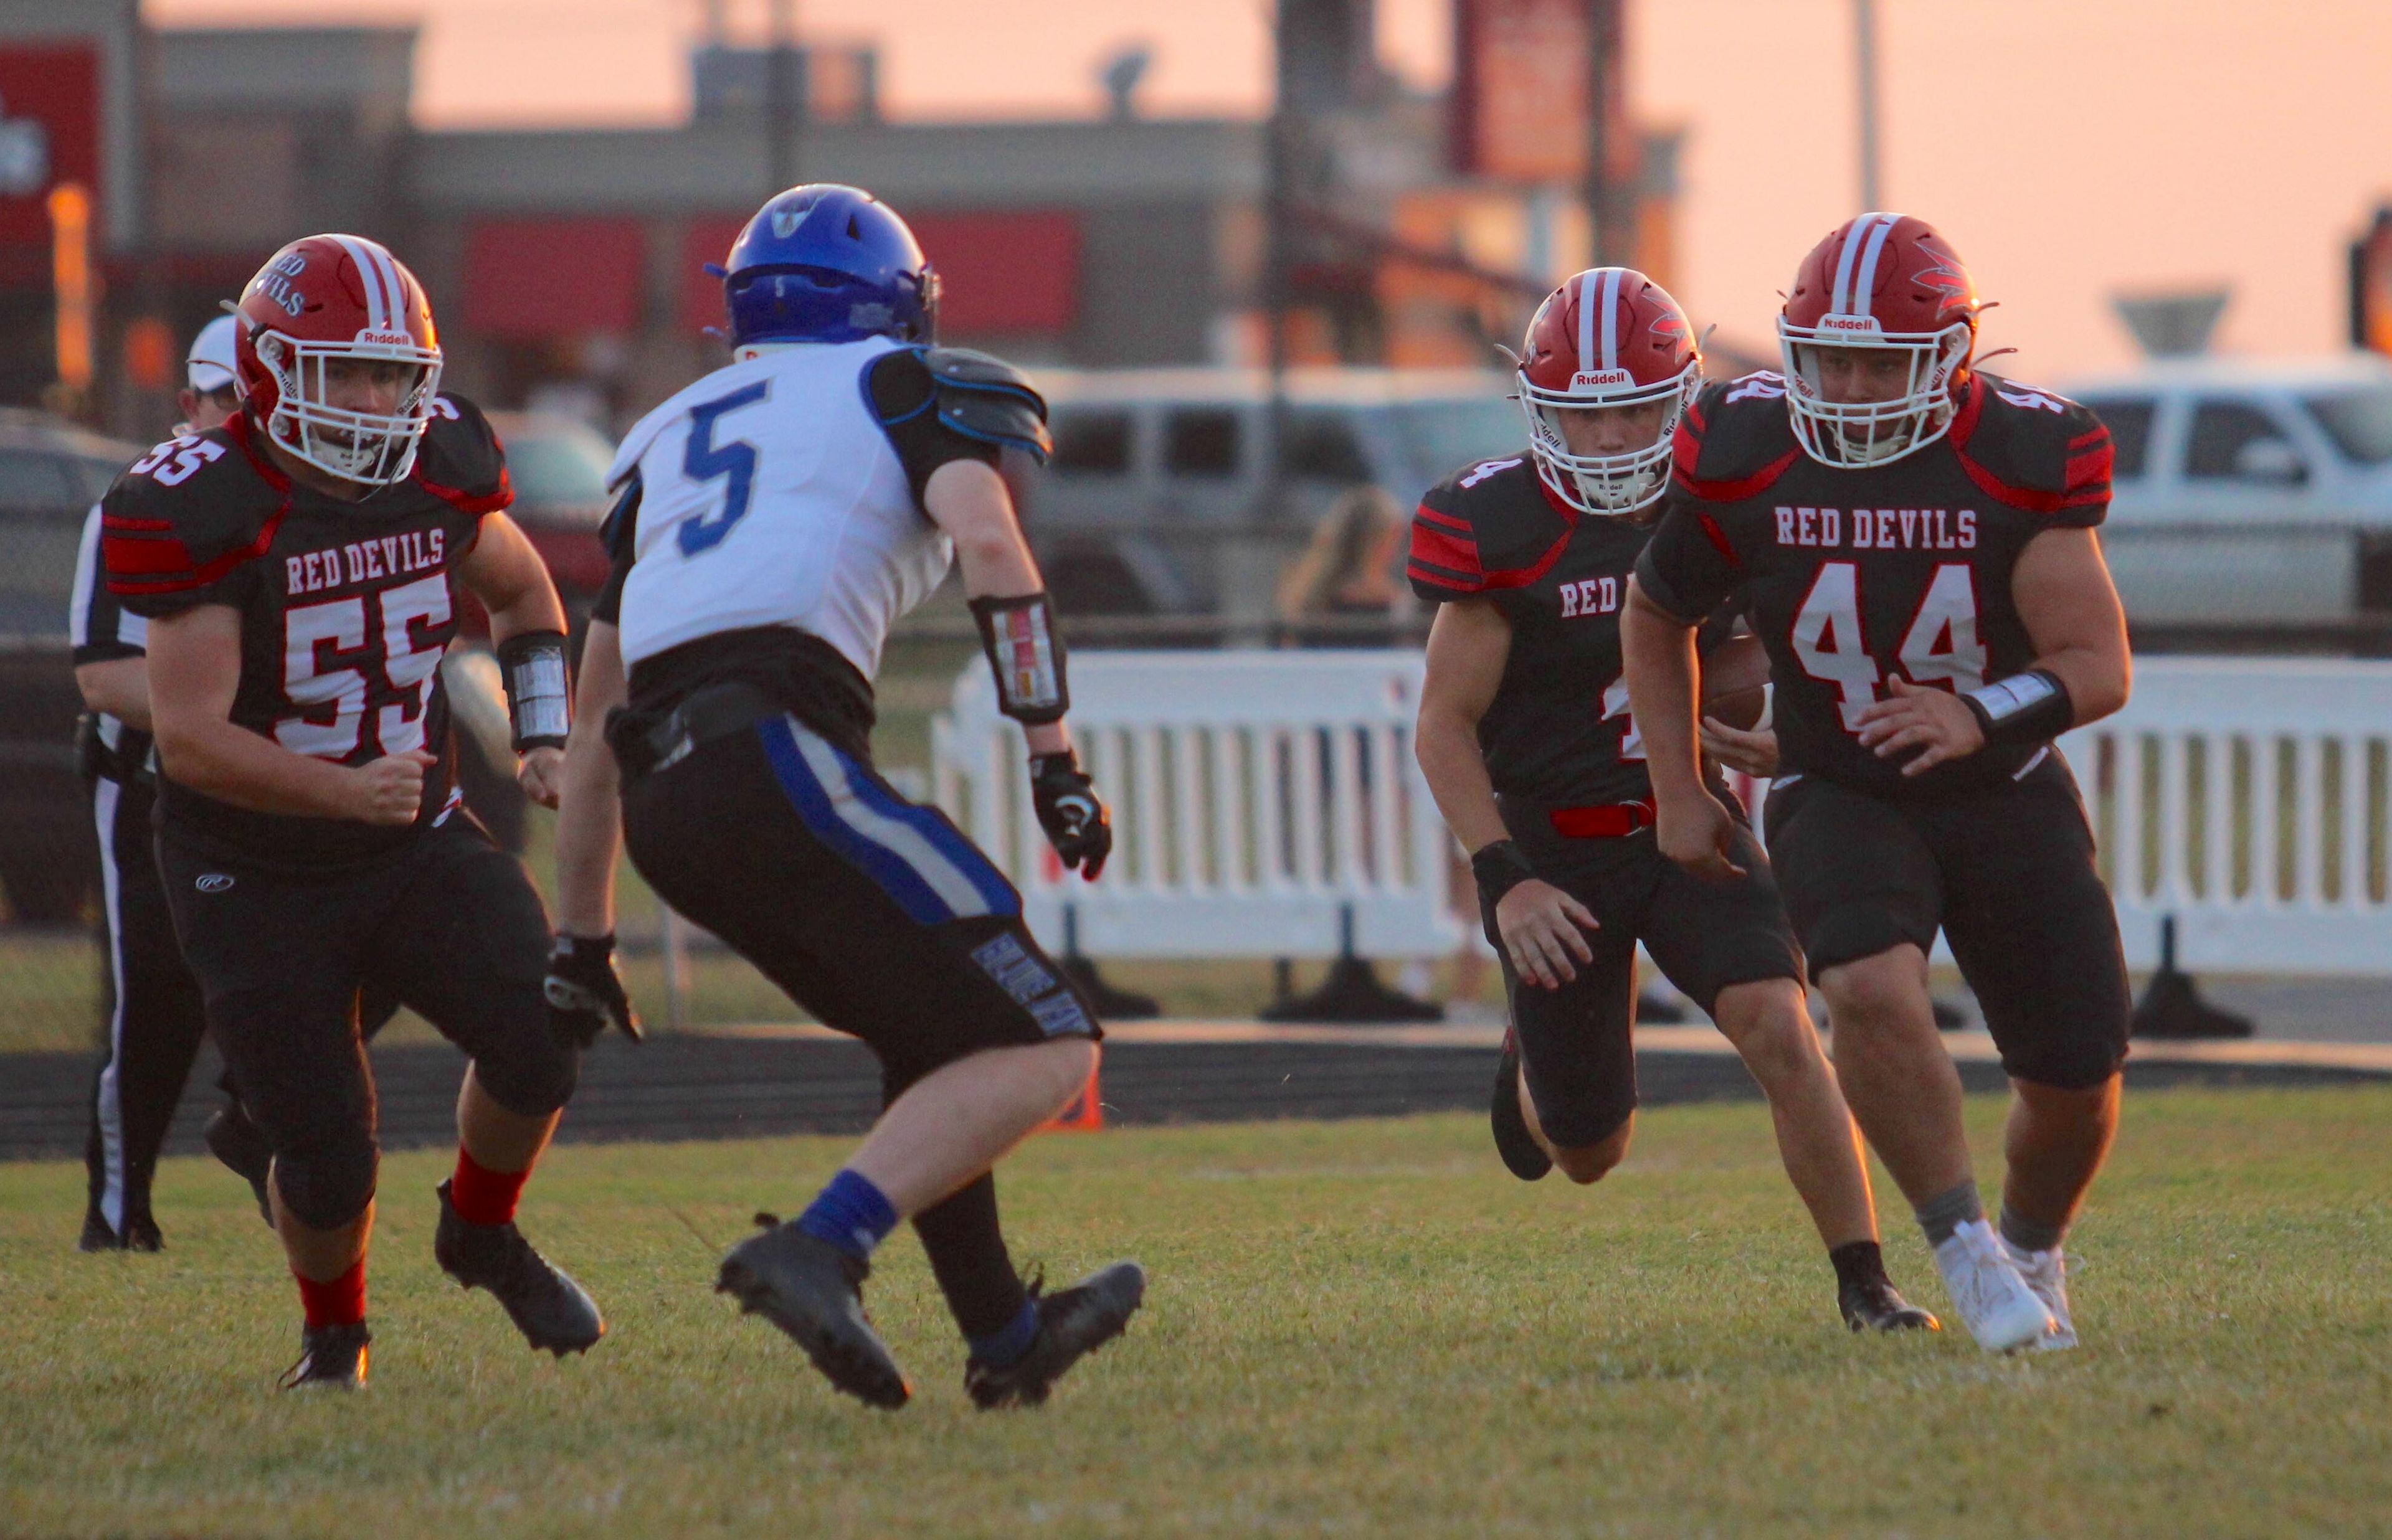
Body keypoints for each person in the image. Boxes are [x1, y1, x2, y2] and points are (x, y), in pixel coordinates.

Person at [551, 184, 1144, 1411]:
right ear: (893, 308)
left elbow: (598, 706)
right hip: (773, 750)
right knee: (1047, 1040)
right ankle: (821, 1245)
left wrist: (584, 934)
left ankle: (1008, 1335)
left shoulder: (662, 435)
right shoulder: (900, 386)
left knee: (939, 1034)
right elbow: (994, 551)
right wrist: (1053, 754)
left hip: (673, 806)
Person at [102, 234, 619, 1389]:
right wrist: (348, 790)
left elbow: (525, 593)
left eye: (395, 374)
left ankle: (480, 1230)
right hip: (253, 863)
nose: (378, 400)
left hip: (409, 833)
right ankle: (334, 1336)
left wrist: (541, 731)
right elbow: (190, 743)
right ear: (274, 368)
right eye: (348, 373)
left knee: (543, 1032)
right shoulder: (208, 499)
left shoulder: (439, 463)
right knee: (328, 1160)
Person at [1623, 214, 2132, 1353]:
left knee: (2074, 1078)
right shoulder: (1747, 443)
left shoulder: (2023, 455)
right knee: (1862, 988)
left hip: (2004, 783)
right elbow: (1657, 612)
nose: (1850, 386)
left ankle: (2033, 1240)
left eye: (1882, 361)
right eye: (1830, 356)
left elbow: (2099, 664)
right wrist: (1677, 785)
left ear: (1951, 355)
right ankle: (1965, 1255)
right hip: (1839, 778)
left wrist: (1978, 711)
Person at [1410, 267, 1933, 1333]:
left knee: (1782, 1026)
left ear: (1682, 401)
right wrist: (1504, 879)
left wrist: (1788, 718)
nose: (1609, 443)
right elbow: (1443, 725)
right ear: (1540, 412)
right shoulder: (1501, 523)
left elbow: (1773, 651)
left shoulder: (1729, 500)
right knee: (1589, 1151)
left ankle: (1865, 1280)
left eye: (1635, 413)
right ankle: (1531, 1066)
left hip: (1685, 819)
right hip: (1555, 851)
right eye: (1584, 418)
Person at [67, 316, 239, 1251]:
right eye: (225, 400)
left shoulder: (295, 500)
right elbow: (102, 674)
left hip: (264, 787)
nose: (240, 418)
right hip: (148, 784)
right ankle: (116, 1208)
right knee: (157, 998)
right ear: (188, 406)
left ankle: (267, 1140)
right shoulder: (141, 500)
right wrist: (229, 718)